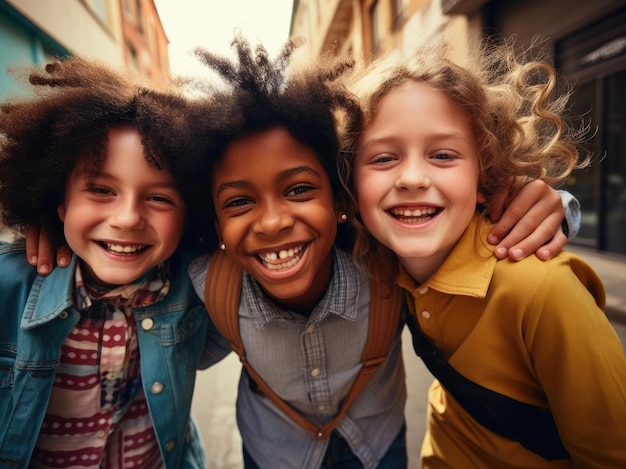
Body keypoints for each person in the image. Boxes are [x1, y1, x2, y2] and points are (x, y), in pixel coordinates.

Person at [22, 36, 578, 468]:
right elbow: (129, 251)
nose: (272, 221)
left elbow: (454, 225)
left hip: (379, 448)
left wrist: (549, 202)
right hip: (273, 453)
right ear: (212, 221)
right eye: (239, 201)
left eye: (298, 189)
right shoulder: (202, 284)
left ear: (340, 199)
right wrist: (49, 219)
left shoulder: (385, 259)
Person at [339, 39, 626, 467]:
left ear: (484, 174)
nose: (413, 177)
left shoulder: (541, 289)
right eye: (383, 158)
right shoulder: (380, 261)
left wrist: (561, 206)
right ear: (351, 183)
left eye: (443, 155)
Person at [0, 56, 213, 468]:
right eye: (101, 189)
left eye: (159, 197)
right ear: (57, 200)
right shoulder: (9, 286)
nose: (128, 217)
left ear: (191, 214)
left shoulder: (195, 281)